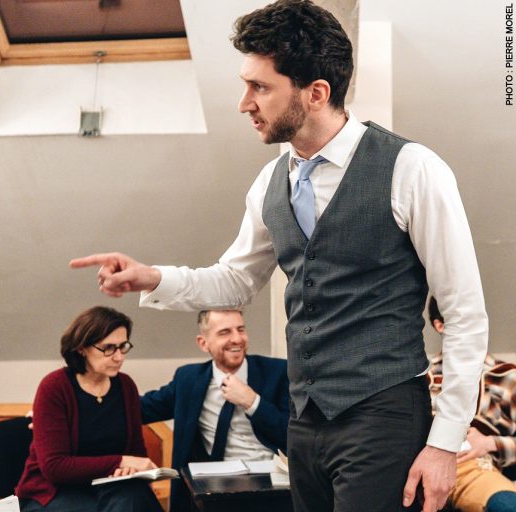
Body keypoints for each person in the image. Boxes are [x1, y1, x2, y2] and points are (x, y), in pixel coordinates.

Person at [69, 1, 489, 511]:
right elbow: (235, 280)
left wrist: (445, 442)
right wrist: (152, 277)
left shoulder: (414, 169)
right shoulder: (270, 181)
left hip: (385, 414)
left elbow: (464, 314)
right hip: (304, 424)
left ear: (316, 93)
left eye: (260, 87)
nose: (244, 103)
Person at [15, 306, 164, 512]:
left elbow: (136, 452)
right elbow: (55, 467)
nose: (119, 357)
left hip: (109, 488)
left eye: (123, 346)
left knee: (134, 497)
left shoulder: (126, 386)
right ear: (82, 348)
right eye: (108, 348)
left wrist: (128, 468)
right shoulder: (54, 387)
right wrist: (120, 461)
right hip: (56, 492)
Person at [140, 309, 289, 512]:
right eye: (224, 332)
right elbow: (142, 409)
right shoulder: (188, 379)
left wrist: (252, 402)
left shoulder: (278, 372)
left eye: (241, 329)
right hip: (214, 487)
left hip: (271, 483)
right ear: (203, 343)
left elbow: (293, 436)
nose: (236, 339)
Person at [426, 297, 516, 512]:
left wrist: (490, 443)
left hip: (474, 470)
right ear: (440, 326)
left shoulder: (507, 377)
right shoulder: (421, 378)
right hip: (415, 468)